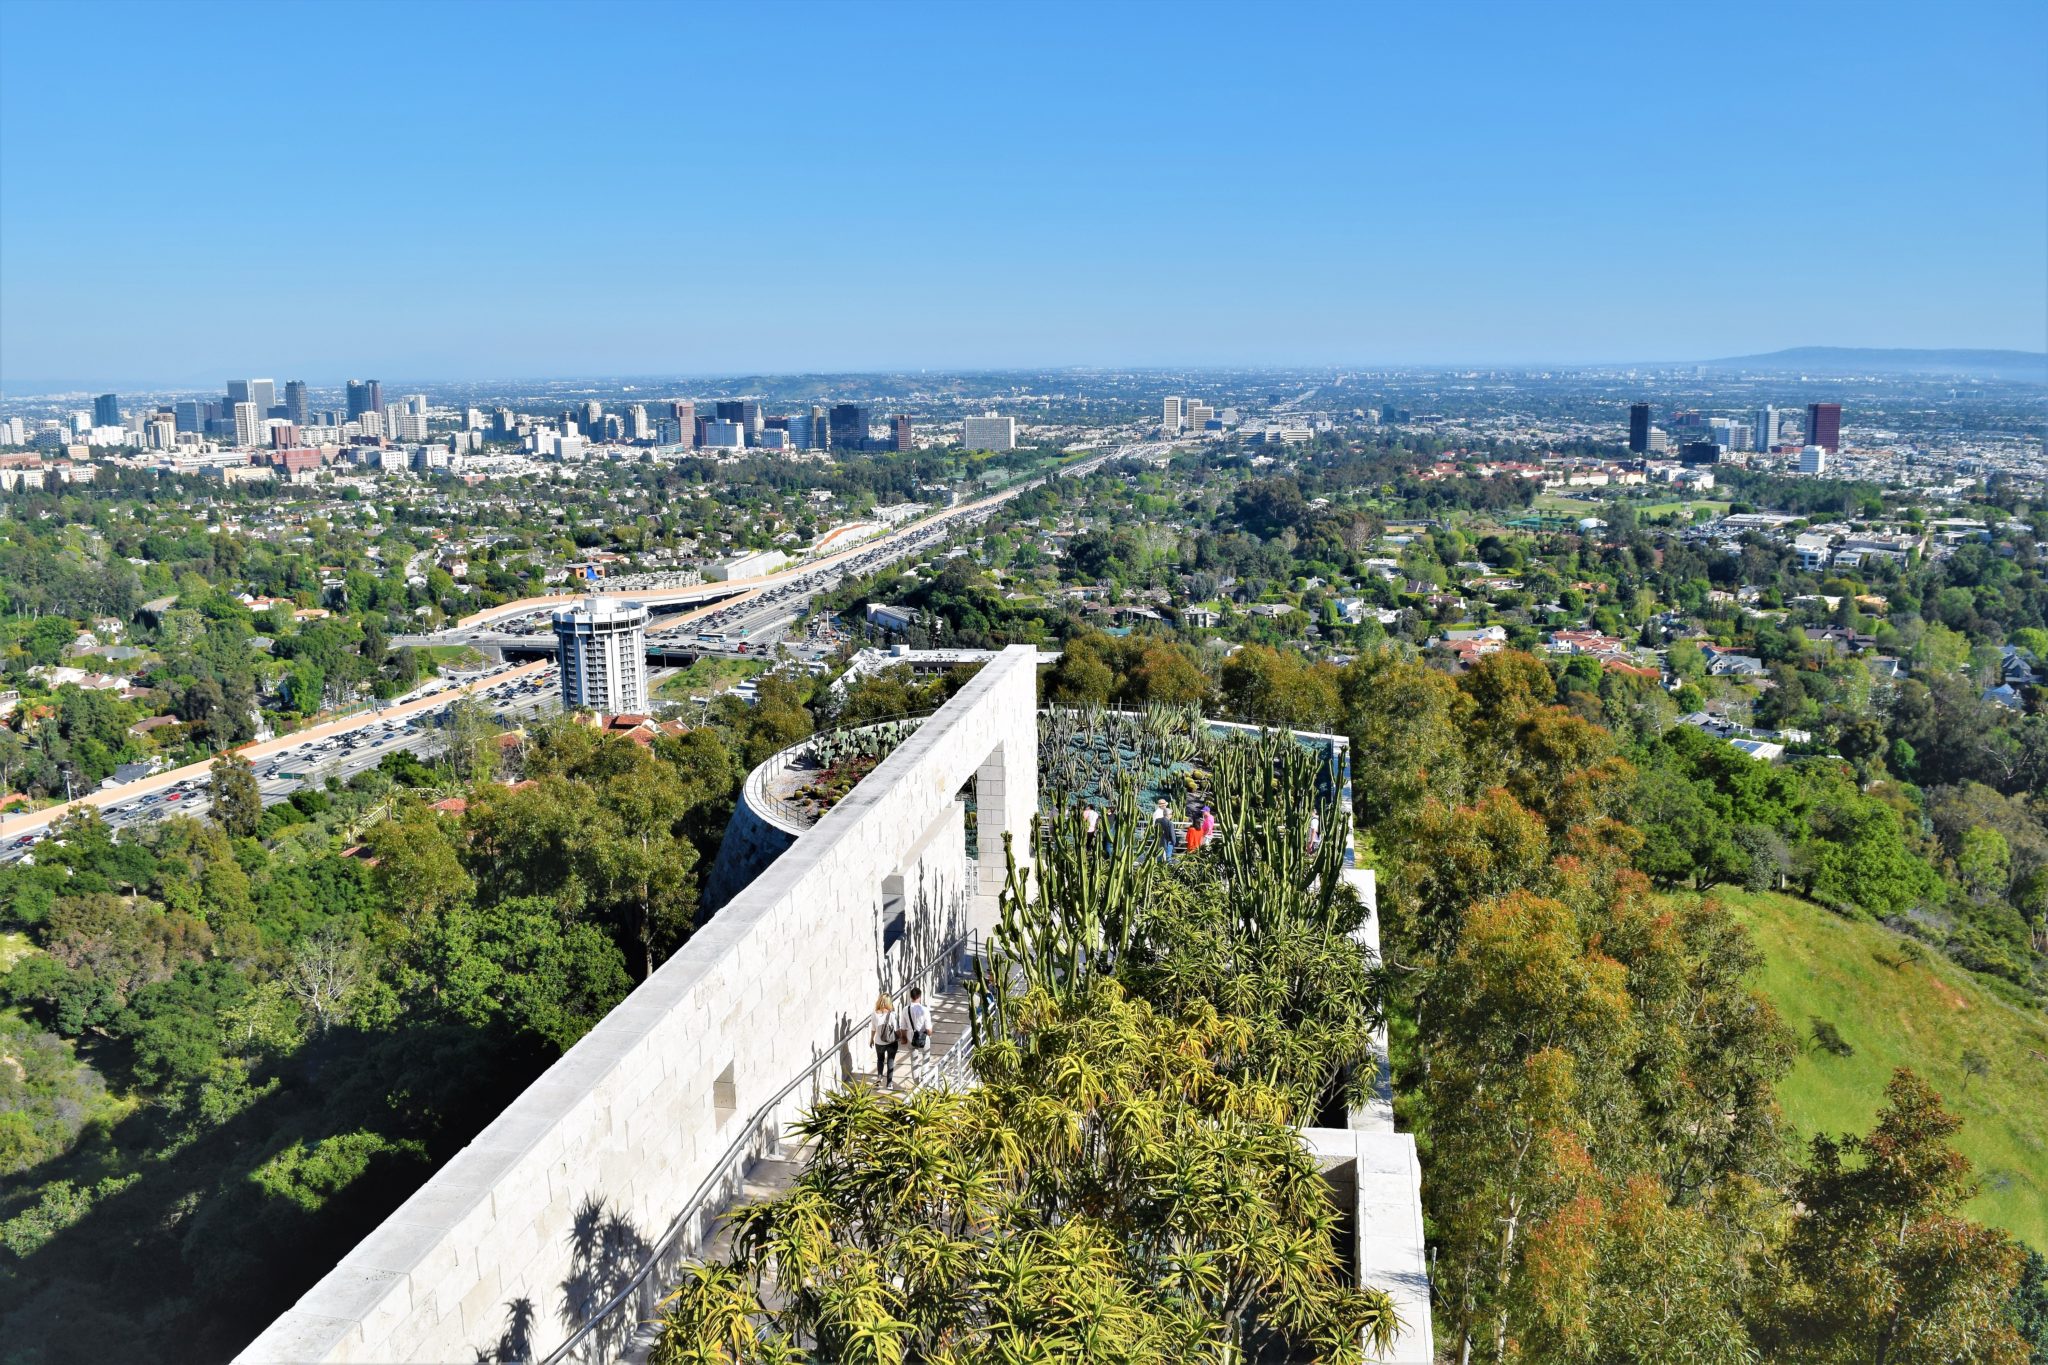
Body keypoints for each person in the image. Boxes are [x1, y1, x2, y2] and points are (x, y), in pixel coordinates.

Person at [870, 992, 899, 1085]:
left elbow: (873, 1028)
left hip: (879, 1042)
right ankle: (889, 1083)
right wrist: (901, 1037)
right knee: (890, 1060)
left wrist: (871, 1039)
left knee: (880, 1059)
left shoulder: (874, 1014)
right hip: (891, 1042)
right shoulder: (892, 1014)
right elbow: (896, 1028)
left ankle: (879, 1077)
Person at [904, 986, 932, 1082]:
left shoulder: (905, 1009)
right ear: (920, 996)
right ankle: (924, 1077)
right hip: (923, 1037)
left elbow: (903, 1027)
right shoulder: (925, 1010)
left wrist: (904, 1038)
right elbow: (929, 1029)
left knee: (914, 1060)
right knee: (926, 1055)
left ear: (910, 997)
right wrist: (929, 1034)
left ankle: (916, 1083)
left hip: (911, 1037)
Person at [1152, 796, 1175, 862]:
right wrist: (1173, 842)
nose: (1165, 806)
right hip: (1164, 837)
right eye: (1164, 805)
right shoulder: (1158, 814)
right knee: (1166, 855)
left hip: (1161, 837)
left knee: (1160, 854)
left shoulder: (1160, 814)